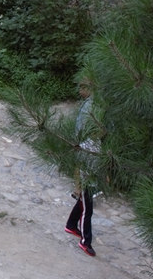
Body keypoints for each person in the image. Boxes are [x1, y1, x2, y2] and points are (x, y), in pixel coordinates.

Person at [66, 83, 100, 257]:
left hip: (92, 177)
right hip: (88, 179)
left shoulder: (99, 143)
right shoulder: (88, 144)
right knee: (88, 209)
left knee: (82, 204)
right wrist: (78, 184)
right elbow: (79, 165)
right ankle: (86, 241)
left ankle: (71, 225)